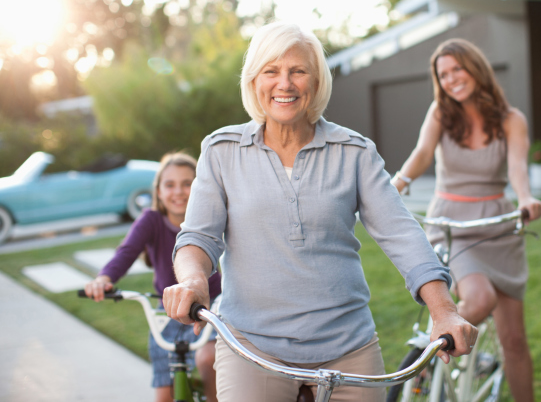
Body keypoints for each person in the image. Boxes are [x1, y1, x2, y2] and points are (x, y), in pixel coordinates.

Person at [162, 22, 478, 402]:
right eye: (271, 71)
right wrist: (194, 281)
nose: (285, 83)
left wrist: (444, 310)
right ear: (253, 81)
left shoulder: (354, 152)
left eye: (298, 71)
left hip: (348, 347)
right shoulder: (221, 150)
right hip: (251, 345)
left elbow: (401, 233)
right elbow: (198, 237)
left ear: (316, 81)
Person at [391, 39, 541, 402]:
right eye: (443, 75)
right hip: (453, 225)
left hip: (499, 225)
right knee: (478, 297)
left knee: (515, 340)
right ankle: (433, 347)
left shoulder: (511, 119)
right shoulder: (440, 113)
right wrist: (395, 184)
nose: (451, 79)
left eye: (457, 69)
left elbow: (517, 168)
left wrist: (525, 199)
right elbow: (422, 153)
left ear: (475, 67)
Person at [84, 152, 221, 402]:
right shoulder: (151, 220)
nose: (178, 192)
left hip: (211, 307)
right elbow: (126, 252)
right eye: (170, 185)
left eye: (187, 183)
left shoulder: (209, 221)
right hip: (167, 312)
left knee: (208, 359)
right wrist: (104, 279)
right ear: (158, 191)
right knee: (163, 394)